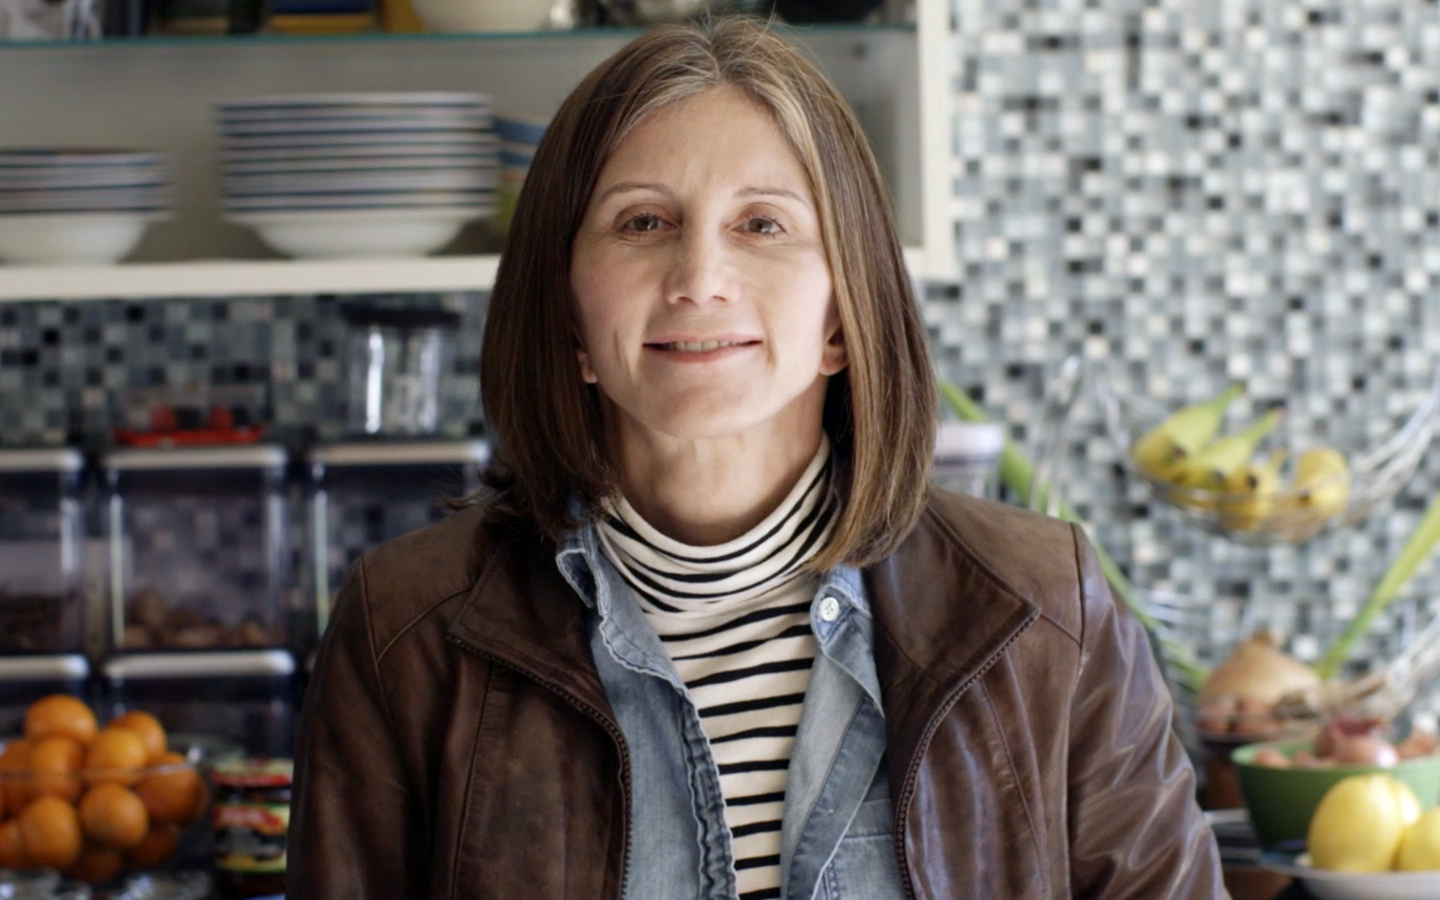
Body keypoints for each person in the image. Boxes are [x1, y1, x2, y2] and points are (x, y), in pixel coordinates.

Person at [288, 15, 1226, 900]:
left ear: (842, 318)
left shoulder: (1045, 612)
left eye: (762, 224)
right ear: (570, 317)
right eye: (641, 223)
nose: (699, 278)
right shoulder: (403, 630)